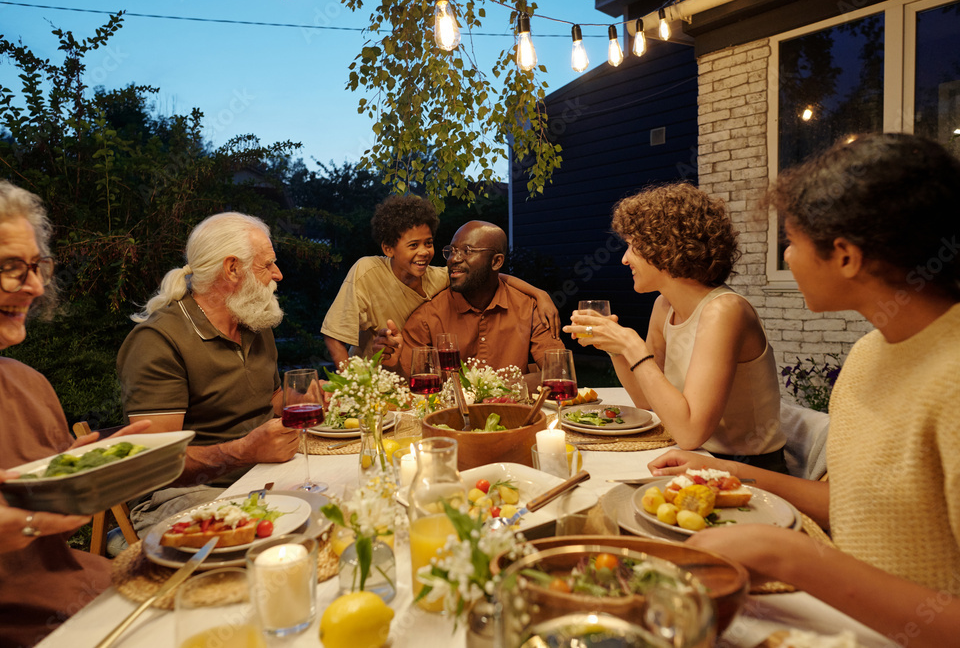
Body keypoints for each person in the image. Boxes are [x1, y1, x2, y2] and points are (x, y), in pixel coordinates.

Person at [648, 134, 960, 646]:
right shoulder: (869, 354)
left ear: (846, 256)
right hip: (837, 621)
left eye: (790, 242)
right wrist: (725, 471)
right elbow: (850, 504)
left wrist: (787, 556)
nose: (787, 258)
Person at [0, 178, 146, 646]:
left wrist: (88, 473)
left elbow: (62, 525)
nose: (36, 286)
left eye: (38, 265)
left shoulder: (29, 384)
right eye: (10, 267)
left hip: (101, 601)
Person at [565, 183, 786, 470]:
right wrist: (615, 349)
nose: (624, 258)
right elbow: (646, 401)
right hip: (691, 457)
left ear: (665, 247)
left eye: (633, 246)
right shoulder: (664, 306)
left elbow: (691, 432)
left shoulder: (724, 311)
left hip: (746, 470)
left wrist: (633, 346)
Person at [117, 212, 301, 512]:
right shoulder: (158, 340)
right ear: (232, 269)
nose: (277, 274)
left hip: (259, 474)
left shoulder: (254, 320)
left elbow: (269, 400)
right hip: (183, 493)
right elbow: (156, 463)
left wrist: (301, 399)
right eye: (267, 264)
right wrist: (244, 452)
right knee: (272, 538)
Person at [322, 195, 560, 368]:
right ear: (388, 248)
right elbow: (334, 334)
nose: (424, 252)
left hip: (401, 371)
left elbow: (487, 275)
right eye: (413, 245)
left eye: (428, 243)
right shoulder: (367, 271)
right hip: (370, 371)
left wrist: (540, 294)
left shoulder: (436, 277)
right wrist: (350, 382)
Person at [381, 220, 565, 377]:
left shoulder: (530, 308)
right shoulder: (428, 317)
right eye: (452, 251)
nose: (454, 259)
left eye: (467, 251)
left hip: (516, 416)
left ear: (496, 262)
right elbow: (410, 381)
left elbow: (559, 373)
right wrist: (391, 363)